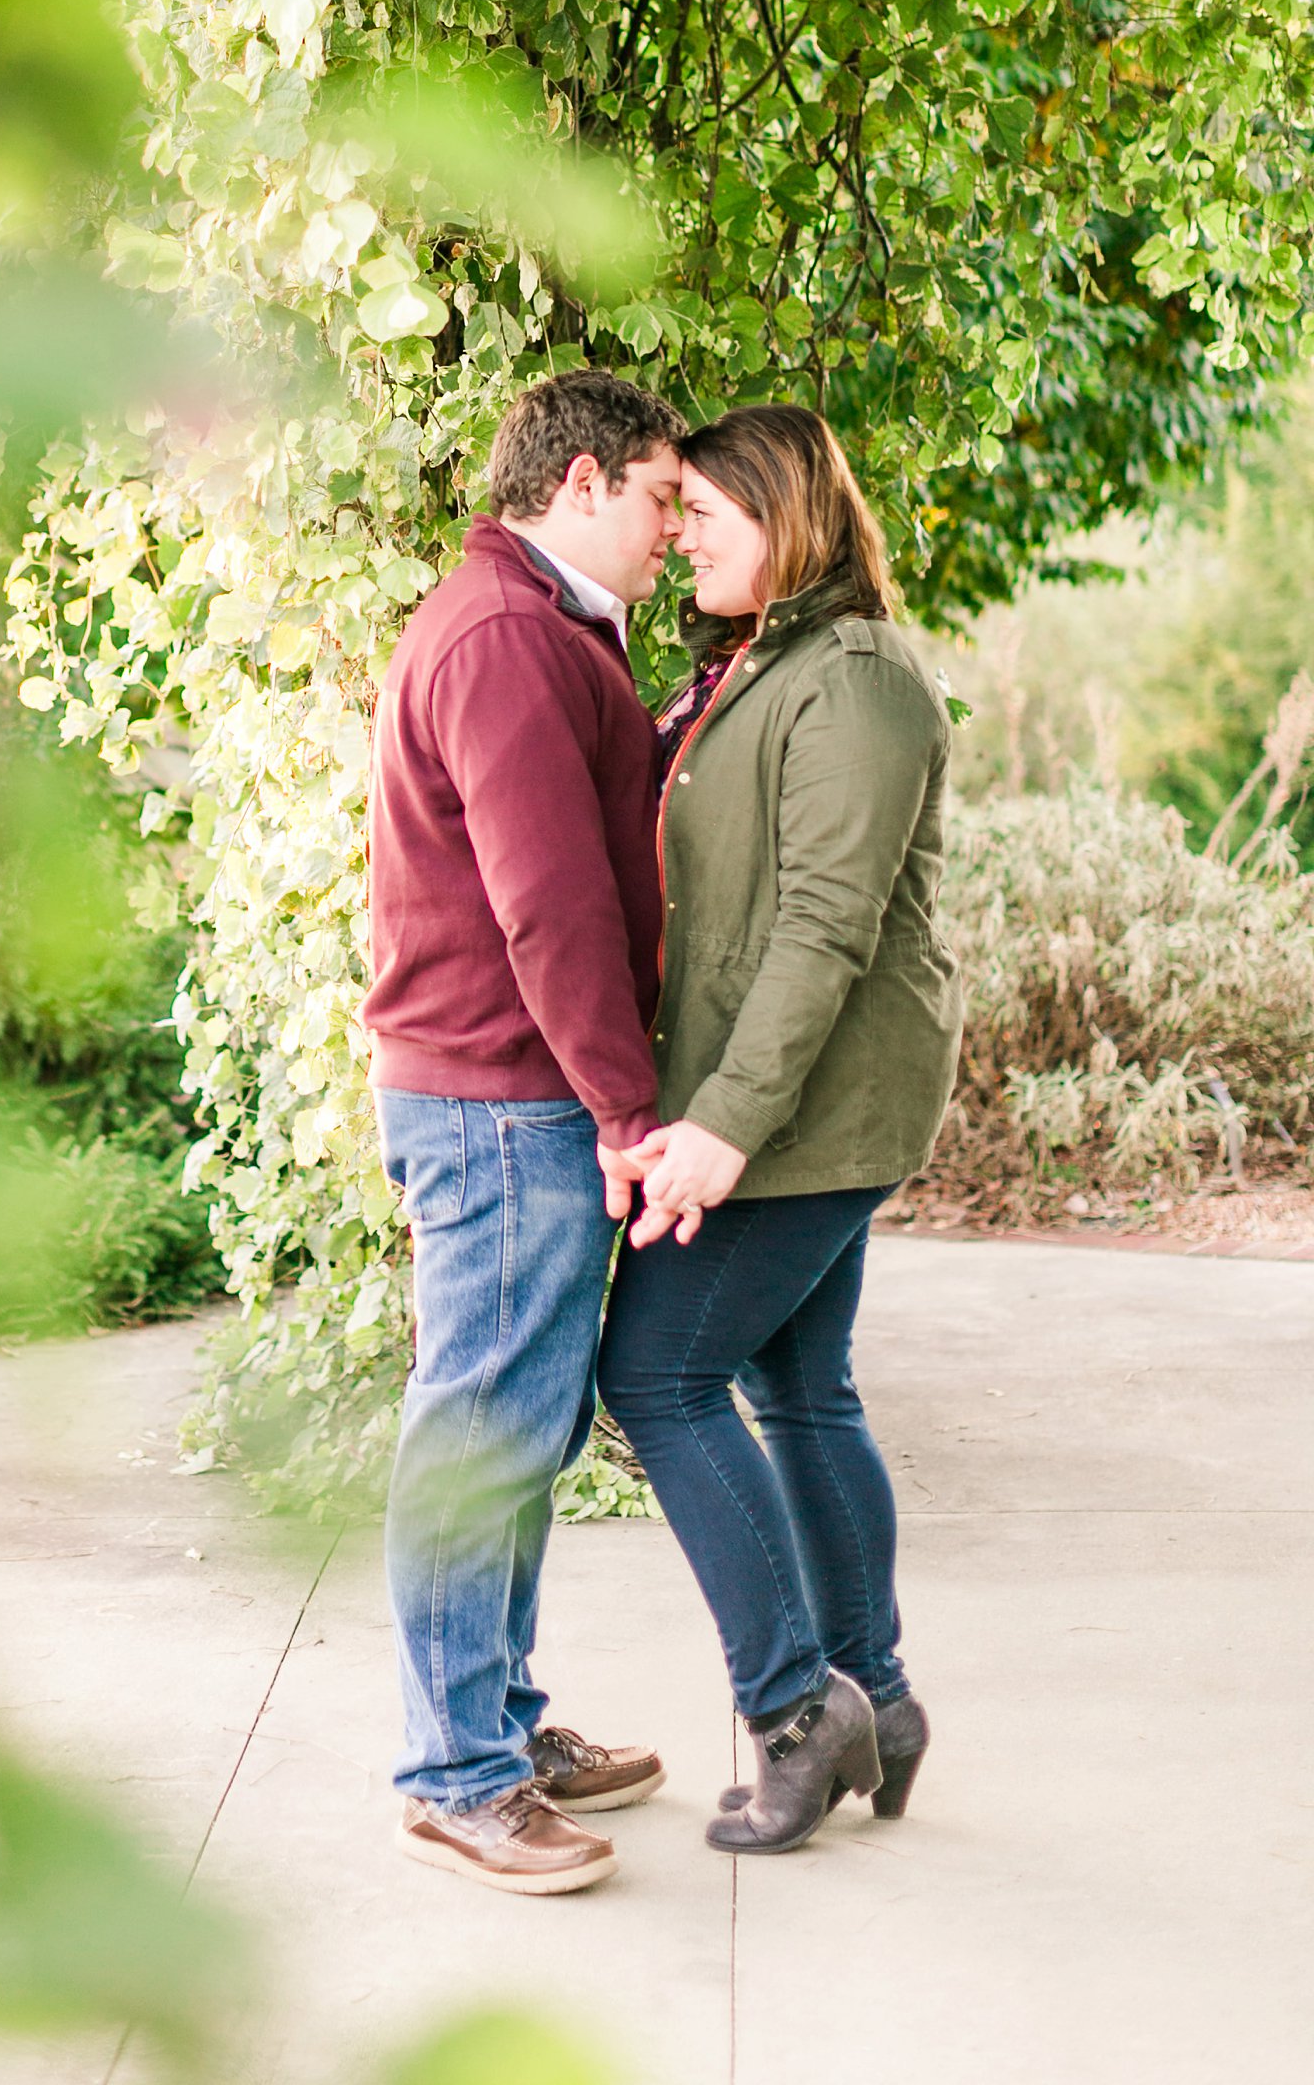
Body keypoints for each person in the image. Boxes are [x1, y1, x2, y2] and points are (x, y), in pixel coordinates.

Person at [593, 402, 962, 1857]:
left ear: (791, 521)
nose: (680, 533)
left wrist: (723, 1130)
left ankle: (799, 1715)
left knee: (660, 1372)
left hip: (820, 1107)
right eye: (671, 511)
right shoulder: (756, 668)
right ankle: (879, 1698)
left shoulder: (856, 677)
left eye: (709, 513)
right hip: (773, 1098)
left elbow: (823, 929)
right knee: (804, 1389)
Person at [363, 368, 685, 1895]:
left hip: (513, 1091)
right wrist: (625, 1109)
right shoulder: (502, 638)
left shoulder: (539, 629)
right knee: (483, 1427)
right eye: (663, 497)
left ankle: (496, 1719)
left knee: (521, 1431)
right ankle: (455, 1775)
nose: (675, 530)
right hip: (501, 1099)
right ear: (582, 486)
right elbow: (545, 903)